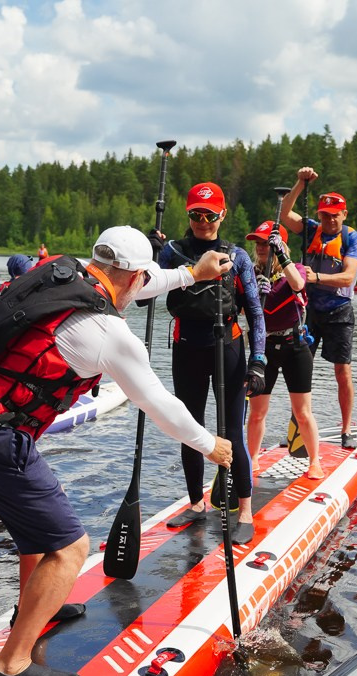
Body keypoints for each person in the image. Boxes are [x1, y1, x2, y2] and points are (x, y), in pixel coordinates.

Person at [0, 226, 234, 676]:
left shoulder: (63, 273)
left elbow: (143, 280)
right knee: (70, 548)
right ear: (131, 276)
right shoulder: (109, 334)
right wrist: (209, 445)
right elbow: (161, 407)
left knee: (37, 532)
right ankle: (11, 666)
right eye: (141, 279)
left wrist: (191, 274)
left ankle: (33, 609)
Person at [158, 182, 267, 541]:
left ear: (222, 214)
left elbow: (254, 309)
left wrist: (259, 360)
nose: (202, 221)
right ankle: (196, 503)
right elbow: (143, 298)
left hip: (228, 348)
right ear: (187, 214)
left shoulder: (237, 256)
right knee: (189, 429)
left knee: (231, 432)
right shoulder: (172, 252)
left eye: (209, 214)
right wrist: (150, 259)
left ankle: (246, 511)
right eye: (195, 214)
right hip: (187, 346)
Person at [279, 167, 357, 448]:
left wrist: (314, 277)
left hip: (339, 311)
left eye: (334, 215)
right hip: (309, 310)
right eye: (325, 214)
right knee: (300, 368)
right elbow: (284, 215)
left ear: (344, 214)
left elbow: (348, 276)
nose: (328, 220)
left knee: (343, 372)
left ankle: (346, 429)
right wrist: (300, 184)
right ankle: (296, 432)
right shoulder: (312, 229)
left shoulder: (353, 238)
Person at [244, 221, 324, 480]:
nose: (261, 247)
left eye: (266, 243)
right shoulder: (252, 272)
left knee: (302, 412)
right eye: (258, 243)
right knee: (257, 413)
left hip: (295, 346)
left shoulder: (295, 267)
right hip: (263, 347)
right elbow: (246, 310)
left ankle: (314, 461)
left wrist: (283, 256)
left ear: (278, 245)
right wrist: (254, 290)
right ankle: (252, 459)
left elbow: (299, 285)